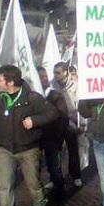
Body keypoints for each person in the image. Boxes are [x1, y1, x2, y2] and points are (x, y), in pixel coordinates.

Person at [0, 65, 58, 206]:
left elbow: (53, 113)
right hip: (5, 150)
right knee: (5, 186)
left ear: (10, 82)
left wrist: (34, 121)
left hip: (29, 149)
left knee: (33, 183)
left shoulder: (32, 98)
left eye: (0, 79)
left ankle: (41, 205)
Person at [37, 66, 69, 197]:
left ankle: (60, 191)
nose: (45, 79)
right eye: (41, 76)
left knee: (54, 166)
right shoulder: (32, 97)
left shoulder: (55, 95)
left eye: (45, 76)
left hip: (52, 138)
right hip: (37, 138)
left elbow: (63, 117)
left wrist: (59, 137)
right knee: (35, 168)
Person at [52, 62, 84, 187]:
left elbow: (81, 105)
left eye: (58, 73)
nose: (55, 75)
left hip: (71, 122)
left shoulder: (76, 86)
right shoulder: (53, 86)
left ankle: (76, 175)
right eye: (54, 73)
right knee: (56, 152)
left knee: (73, 150)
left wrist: (82, 123)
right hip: (56, 123)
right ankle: (55, 177)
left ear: (66, 72)